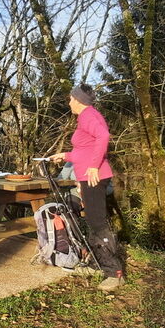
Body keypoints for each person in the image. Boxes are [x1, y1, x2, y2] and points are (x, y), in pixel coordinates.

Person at [49, 84, 127, 292]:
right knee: (93, 221)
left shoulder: (87, 115)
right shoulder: (87, 116)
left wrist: (93, 166)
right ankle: (98, 262)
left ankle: (114, 272)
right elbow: (85, 150)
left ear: (78, 100)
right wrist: (65, 156)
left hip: (94, 177)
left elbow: (103, 137)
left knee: (98, 222)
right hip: (87, 176)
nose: (69, 103)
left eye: (70, 99)